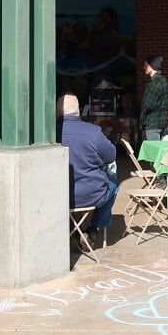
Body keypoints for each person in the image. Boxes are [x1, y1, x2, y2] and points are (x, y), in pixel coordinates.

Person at [57, 93, 118, 239]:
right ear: (78, 110)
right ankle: (95, 226)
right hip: (92, 194)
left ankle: (71, 228)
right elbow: (111, 156)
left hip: (58, 196)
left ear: (57, 111)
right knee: (114, 182)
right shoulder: (93, 132)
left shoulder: (48, 133)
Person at [139, 55, 168, 142]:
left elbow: (148, 104)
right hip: (162, 123)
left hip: (152, 123)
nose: (144, 67)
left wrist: (142, 118)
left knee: (153, 152)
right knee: (160, 151)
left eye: (146, 65)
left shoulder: (154, 82)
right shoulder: (163, 80)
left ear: (151, 66)